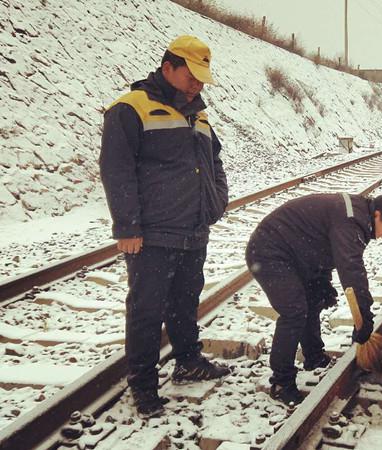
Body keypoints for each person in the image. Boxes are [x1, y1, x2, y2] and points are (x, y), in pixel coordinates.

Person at [99, 35, 230, 418]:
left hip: (192, 229)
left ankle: (188, 360)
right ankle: (143, 385)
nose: (198, 85)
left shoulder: (199, 114)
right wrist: (127, 227)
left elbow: (215, 162)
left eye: (202, 78)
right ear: (168, 67)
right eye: (192, 76)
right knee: (146, 310)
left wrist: (216, 199)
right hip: (152, 234)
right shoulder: (130, 109)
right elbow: (116, 170)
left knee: (186, 302)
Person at [245, 193, 382, 406]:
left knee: (313, 300)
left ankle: (313, 356)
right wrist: (365, 317)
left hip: (295, 254)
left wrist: (322, 280)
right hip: (269, 252)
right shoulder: (352, 220)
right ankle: (281, 382)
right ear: (377, 215)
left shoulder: (356, 215)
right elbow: (351, 270)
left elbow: (322, 243)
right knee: (294, 311)